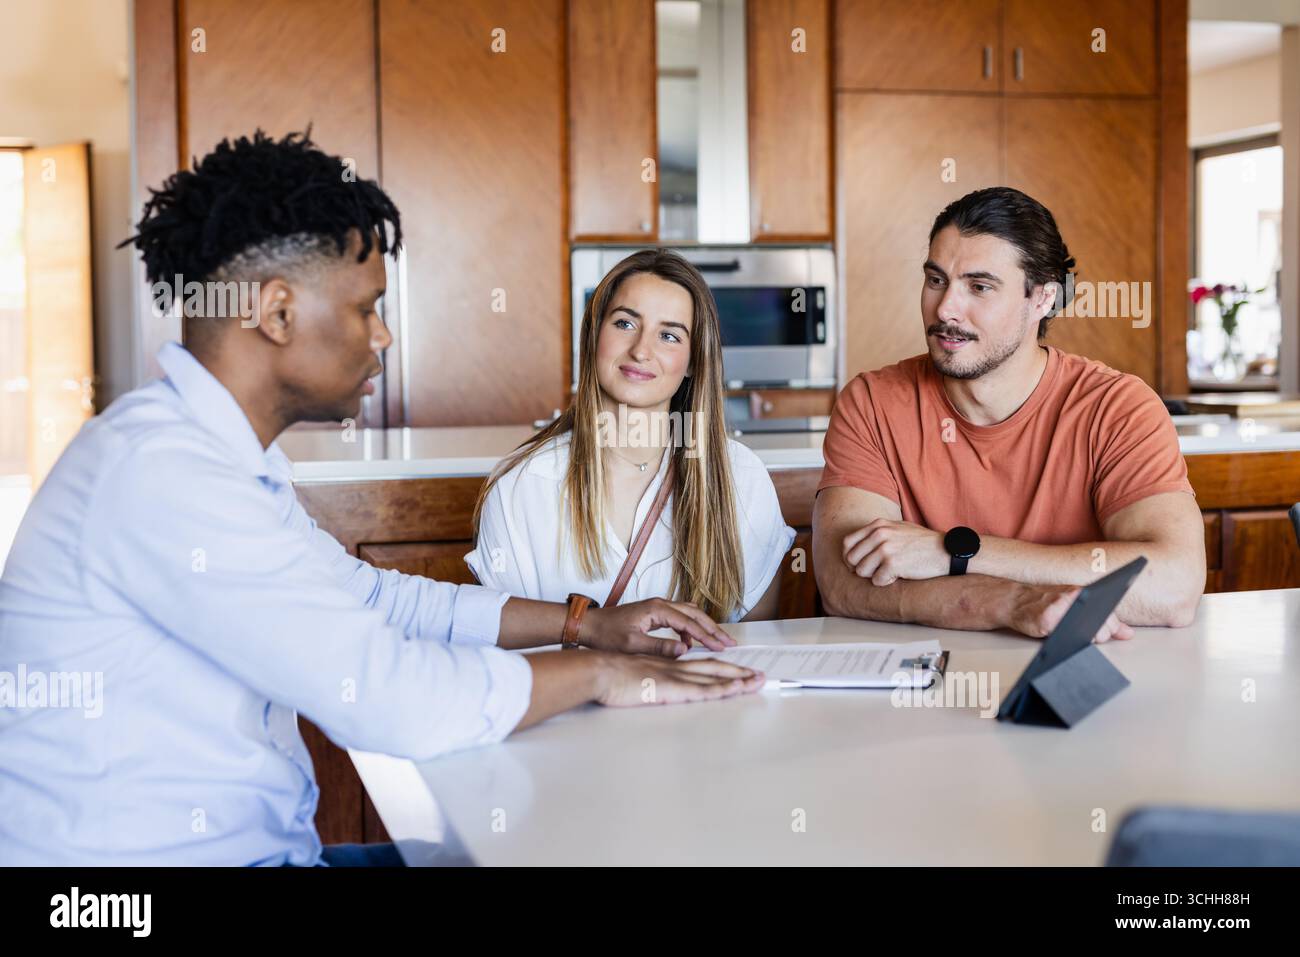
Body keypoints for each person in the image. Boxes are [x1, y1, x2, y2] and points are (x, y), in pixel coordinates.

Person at [0, 131, 762, 867]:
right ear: (275, 312)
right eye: (366, 307)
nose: (385, 335)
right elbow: (389, 694)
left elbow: (377, 600)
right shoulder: (167, 473)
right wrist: (601, 673)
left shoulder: (213, 456)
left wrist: (585, 625)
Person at [813, 187, 1204, 641]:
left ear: (1041, 299)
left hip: (1078, 676)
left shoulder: (1117, 408)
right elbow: (843, 585)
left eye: (979, 287)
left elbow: (1173, 587)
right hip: (922, 684)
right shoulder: (872, 402)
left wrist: (953, 554)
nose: (945, 309)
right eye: (936, 280)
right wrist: (1008, 602)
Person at [467, 249, 795, 623]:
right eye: (625, 324)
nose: (641, 350)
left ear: (692, 361)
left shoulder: (741, 477)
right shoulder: (521, 489)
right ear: (593, 336)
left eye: (669, 336)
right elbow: (512, 661)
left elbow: (755, 651)